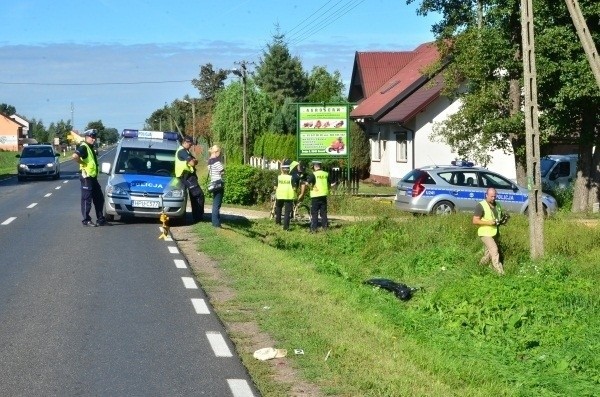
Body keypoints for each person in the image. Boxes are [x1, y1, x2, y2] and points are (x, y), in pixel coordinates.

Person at [72, 129, 107, 227]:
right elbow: (74, 156)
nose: (94, 139)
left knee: (99, 198)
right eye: (92, 137)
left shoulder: (90, 147)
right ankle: (86, 220)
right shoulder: (84, 147)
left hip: (93, 178)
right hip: (86, 177)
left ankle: (100, 219)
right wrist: (82, 163)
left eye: (94, 137)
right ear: (86, 137)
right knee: (87, 199)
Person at [472, 187, 508, 275]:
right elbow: (475, 221)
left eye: (495, 196)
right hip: (485, 233)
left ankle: (479, 268)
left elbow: (498, 218)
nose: (493, 198)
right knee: (494, 250)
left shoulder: (498, 204)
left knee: (488, 254)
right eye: (491, 196)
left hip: (495, 232)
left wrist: (503, 220)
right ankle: (500, 273)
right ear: (486, 195)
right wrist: (489, 223)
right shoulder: (481, 205)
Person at [175, 136, 204, 223]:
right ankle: (198, 217)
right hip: (185, 176)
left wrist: (193, 161)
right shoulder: (182, 151)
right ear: (186, 142)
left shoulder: (185, 151)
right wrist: (193, 161)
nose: (191, 146)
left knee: (194, 195)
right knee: (198, 195)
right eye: (190, 144)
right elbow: (192, 162)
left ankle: (197, 217)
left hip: (188, 176)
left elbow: (196, 161)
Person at [274, 160, 299, 231]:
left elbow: (275, 187)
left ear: (282, 170)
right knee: (287, 212)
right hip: (288, 196)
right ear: (288, 170)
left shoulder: (278, 177)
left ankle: (278, 222)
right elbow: (294, 188)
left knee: (278, 209)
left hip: (279, 195)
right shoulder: (291, 178)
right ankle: (286, 227)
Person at [306, 160, 330, 232]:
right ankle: (325, 228)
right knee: (323, 212)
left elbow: (308, 183)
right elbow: (331, 184)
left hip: (315, 196)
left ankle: (314, 229)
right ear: (320, 166)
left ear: (314, 166)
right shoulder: (326, 174)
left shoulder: (313, 174)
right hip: (323, 196)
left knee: (314, 213)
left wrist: (307, 184)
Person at [207, 145, 225, 228]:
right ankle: (216, 223)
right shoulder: (216, 161)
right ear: (216, 152)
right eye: (219, 152)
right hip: (218, 183)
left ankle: (215, 221)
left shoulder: (209, 161)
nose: (220, 154)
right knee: (217, 204)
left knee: (215, 203)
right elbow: (222, 171)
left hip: (213, 183)